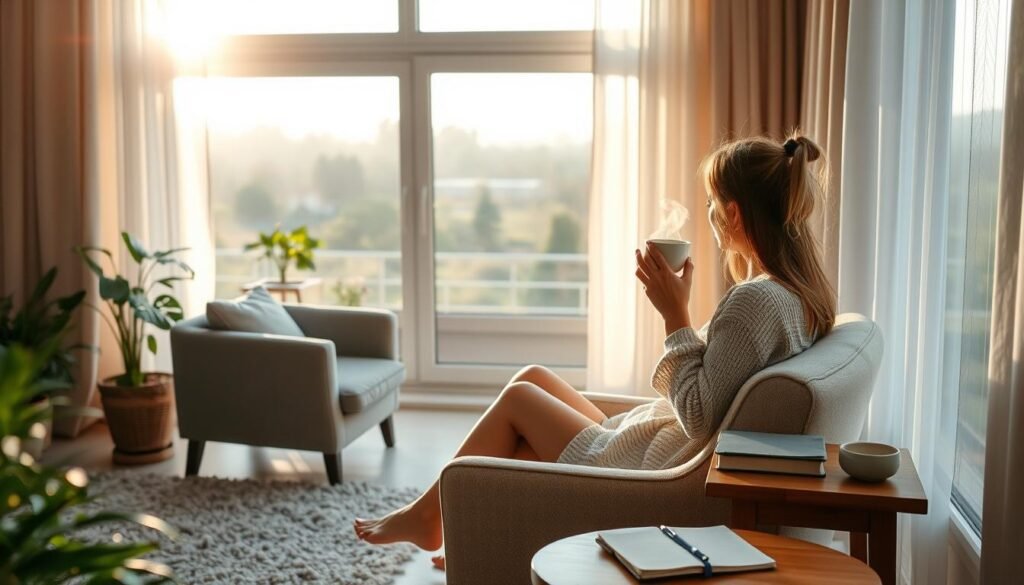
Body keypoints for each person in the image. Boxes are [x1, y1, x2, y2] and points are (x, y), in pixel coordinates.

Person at [353, 133, 836, 570]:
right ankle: (475, 540)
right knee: (534, 378)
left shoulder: (755, 301)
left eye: (712, 203)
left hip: (658, 468)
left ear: (732, 214)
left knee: (520, 401)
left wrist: (675, 315)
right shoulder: (798, 295)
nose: (708, 214)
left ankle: (431, 520)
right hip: (656, 441)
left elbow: (698, 415)